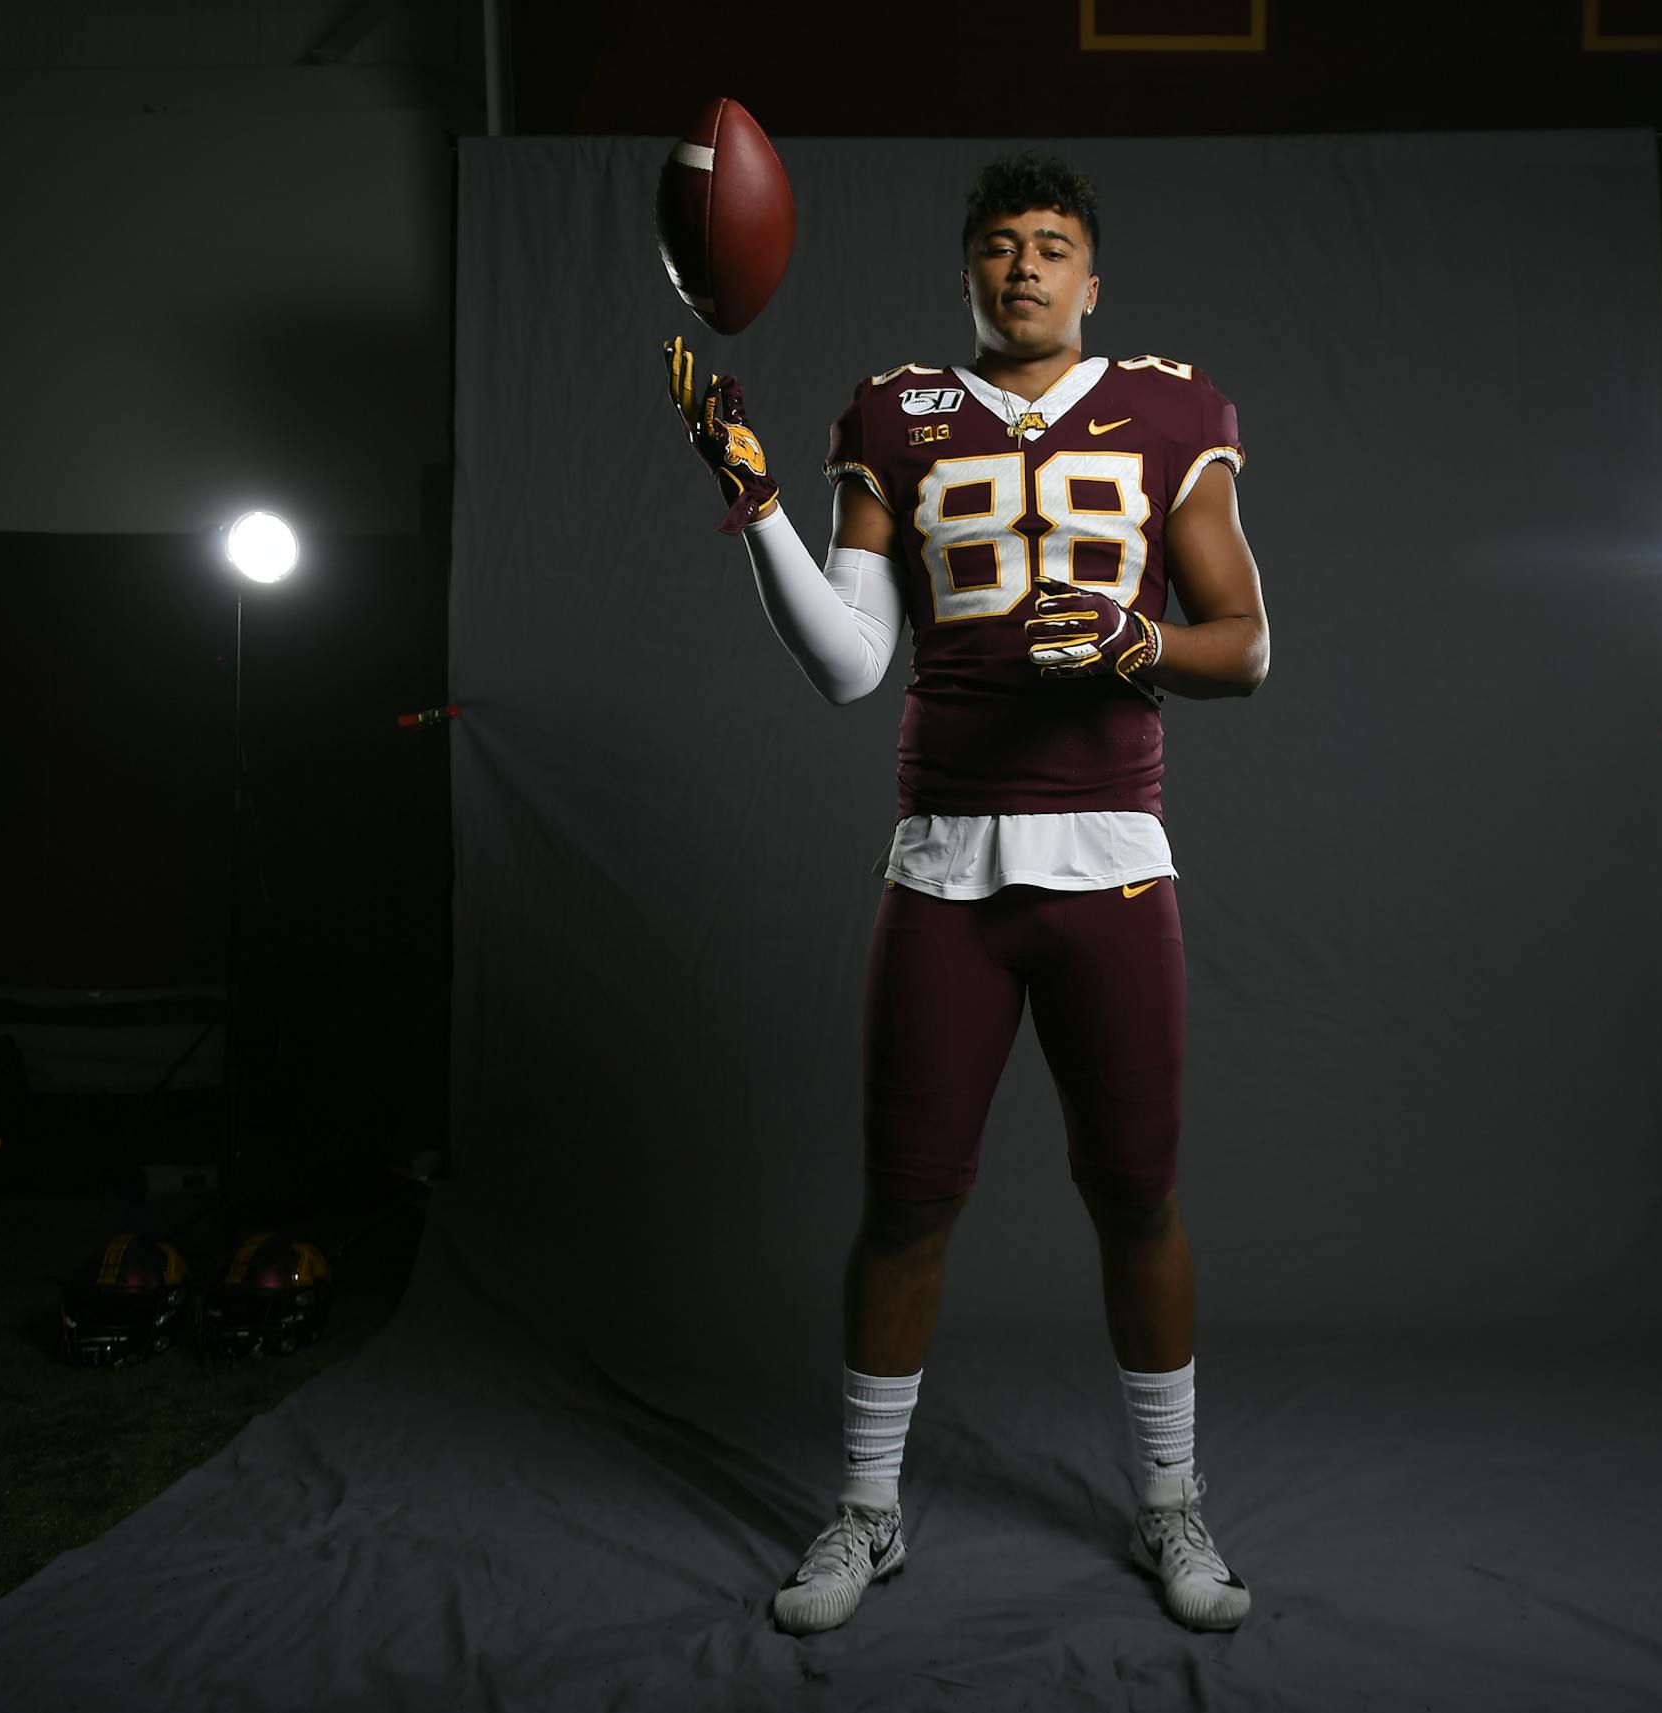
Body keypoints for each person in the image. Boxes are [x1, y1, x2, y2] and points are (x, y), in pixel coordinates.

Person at [662, 151, 1269, 1637]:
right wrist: (754, 508)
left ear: (1092, 278)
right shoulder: (894, 412)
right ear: (968, 272)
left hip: (1112, 860)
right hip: (945, 860)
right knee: (907, 1200)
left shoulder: (1173, 405)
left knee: (1136, 1194)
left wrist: (1133, 643)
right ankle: (868, 1510)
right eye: (1000, 245)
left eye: (1053, 245)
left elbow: (1245, 643)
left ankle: (1171, 1496)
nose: (1025, 268)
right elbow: (850, 664)